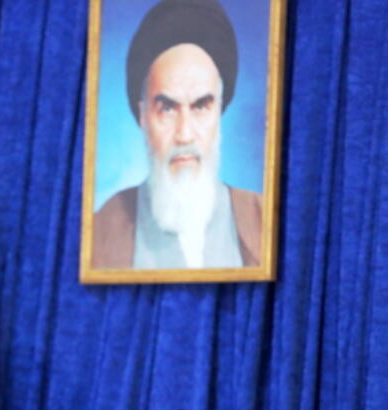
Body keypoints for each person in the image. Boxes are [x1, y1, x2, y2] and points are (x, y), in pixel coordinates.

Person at [92, 0, 264, 270]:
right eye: (168, 109)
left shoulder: (263, 218)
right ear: (144, 116)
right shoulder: (100, 232)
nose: (184, 134)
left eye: (201, 106)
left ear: (219, 111)